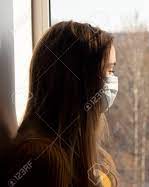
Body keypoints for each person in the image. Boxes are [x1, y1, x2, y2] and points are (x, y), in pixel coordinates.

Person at [3, 21, 118, 187]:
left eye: (112, 71)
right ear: (75, 81)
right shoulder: (42, 159)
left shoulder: (92, 153)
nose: (112, 80)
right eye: (106, 71)